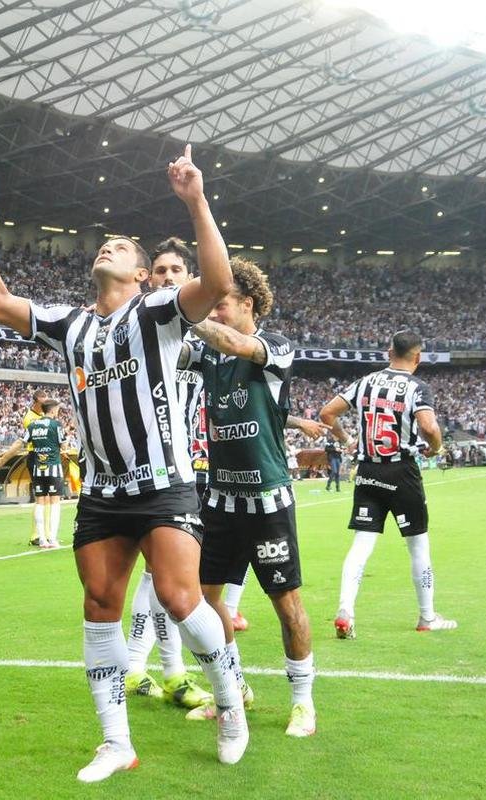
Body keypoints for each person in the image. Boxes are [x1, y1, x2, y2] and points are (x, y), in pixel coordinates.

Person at [0, 146, 248, 783]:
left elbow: (220, 282)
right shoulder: (70, 325)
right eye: (105, 244)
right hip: (102, 492)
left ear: (144, 275)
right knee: (99, 605)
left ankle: (231, 705)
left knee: (179, 598)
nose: (107, 248)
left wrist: (196, 199)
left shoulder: (158, 312)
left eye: (121, 247)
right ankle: (116, 741)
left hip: (165, 483)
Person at [180, 256, 321, 738]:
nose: (213, 311)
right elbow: (170, 349)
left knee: (286, 603)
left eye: (220, 302)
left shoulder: (274, 346)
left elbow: (234, 342)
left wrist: (191, 316)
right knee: (204, 600)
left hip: (267, 500)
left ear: (248, 302)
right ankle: (233, 689)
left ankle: (303, 703)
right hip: (220, 499)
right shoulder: (206, 353)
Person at [124, 236, 214, 709]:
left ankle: (143, 665)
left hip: (190, 467)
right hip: (150, 472)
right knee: (164, 575)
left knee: (160, 576)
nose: (167, 277)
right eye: (159, 271)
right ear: (146, 278)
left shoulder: (198, 337)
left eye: (177, 270)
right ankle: (169, 671)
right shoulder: (135, 331)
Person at [319, 330, 457, 639]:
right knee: (418, 544)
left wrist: (347, 439)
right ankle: (427, 617)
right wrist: (436, 448)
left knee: (361, 544)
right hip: (401, 472)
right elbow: (428, 426)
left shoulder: (366, 382)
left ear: (388, 351)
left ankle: (345, 610)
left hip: (368, 471)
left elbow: (328, 413)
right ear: (417, 357)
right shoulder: (417, 387)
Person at [22, 399, 65, 549]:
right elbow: (63, 444)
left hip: (38, 468)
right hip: (53, 467)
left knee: (39, 503)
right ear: (52, 410)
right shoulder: (56, 425)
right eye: (57, 410)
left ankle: (42, 540)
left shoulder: (32, 425)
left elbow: (23, 442)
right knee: (54, 502)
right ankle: (52, 539)